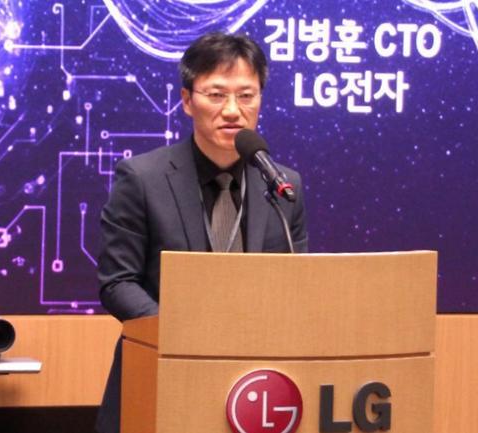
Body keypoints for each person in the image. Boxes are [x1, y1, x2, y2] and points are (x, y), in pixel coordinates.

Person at [95, 32, 308, 433]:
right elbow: (117, 282)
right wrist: (182, 340)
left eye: (246, 96)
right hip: (159, 371)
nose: (233, 110)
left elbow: (294, 285)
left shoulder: (283, 187)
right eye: (216, 95)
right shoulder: (142, 178)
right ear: (187, 100)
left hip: (254, 384)